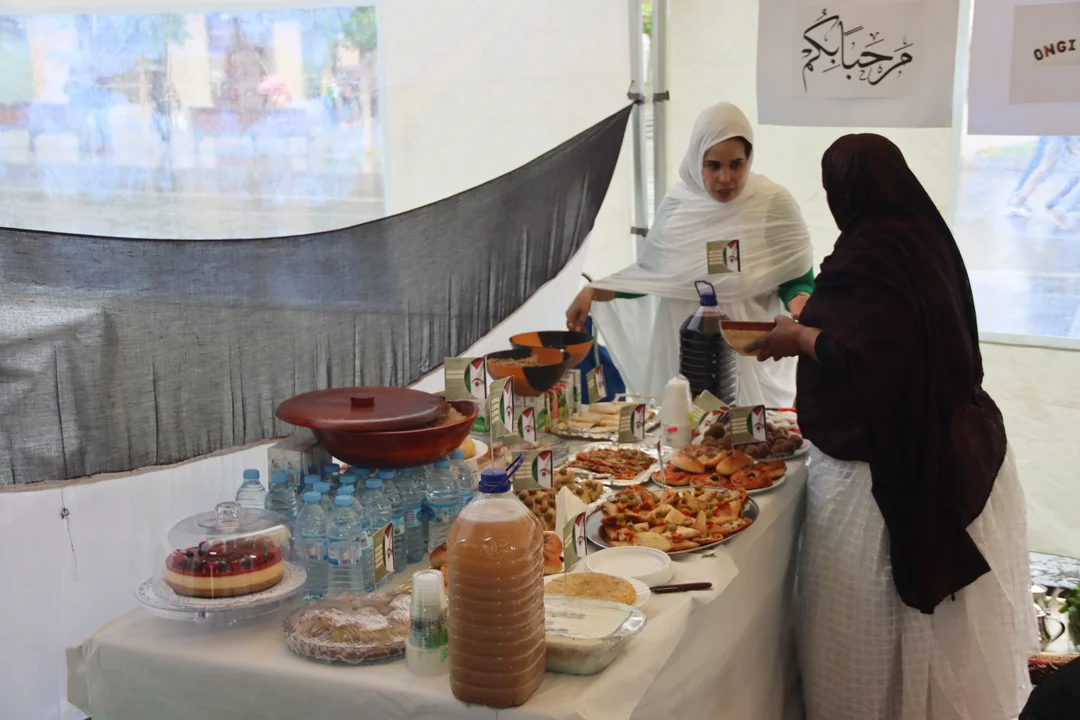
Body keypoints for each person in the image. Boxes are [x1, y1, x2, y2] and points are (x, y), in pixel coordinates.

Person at [749, 134, 1036, 720]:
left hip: (885, 473)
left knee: (869, 634)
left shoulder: (869, 255)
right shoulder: (925, 238)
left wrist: (799, 336)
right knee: (936, 650)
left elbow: (876, 362)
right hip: (952, 444)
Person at [565, 102, 814, 406]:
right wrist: (593, 291)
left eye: (736, 164)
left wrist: (800, 299)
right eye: (714, 166)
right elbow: (653, 275)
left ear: (749, 159)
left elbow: (796, 275)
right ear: (697, 160)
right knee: (686, 430)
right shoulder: (677, 208)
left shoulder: (772, 203)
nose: (726, 178)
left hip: (750, 355)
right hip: (684, 353)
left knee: (756, 433)